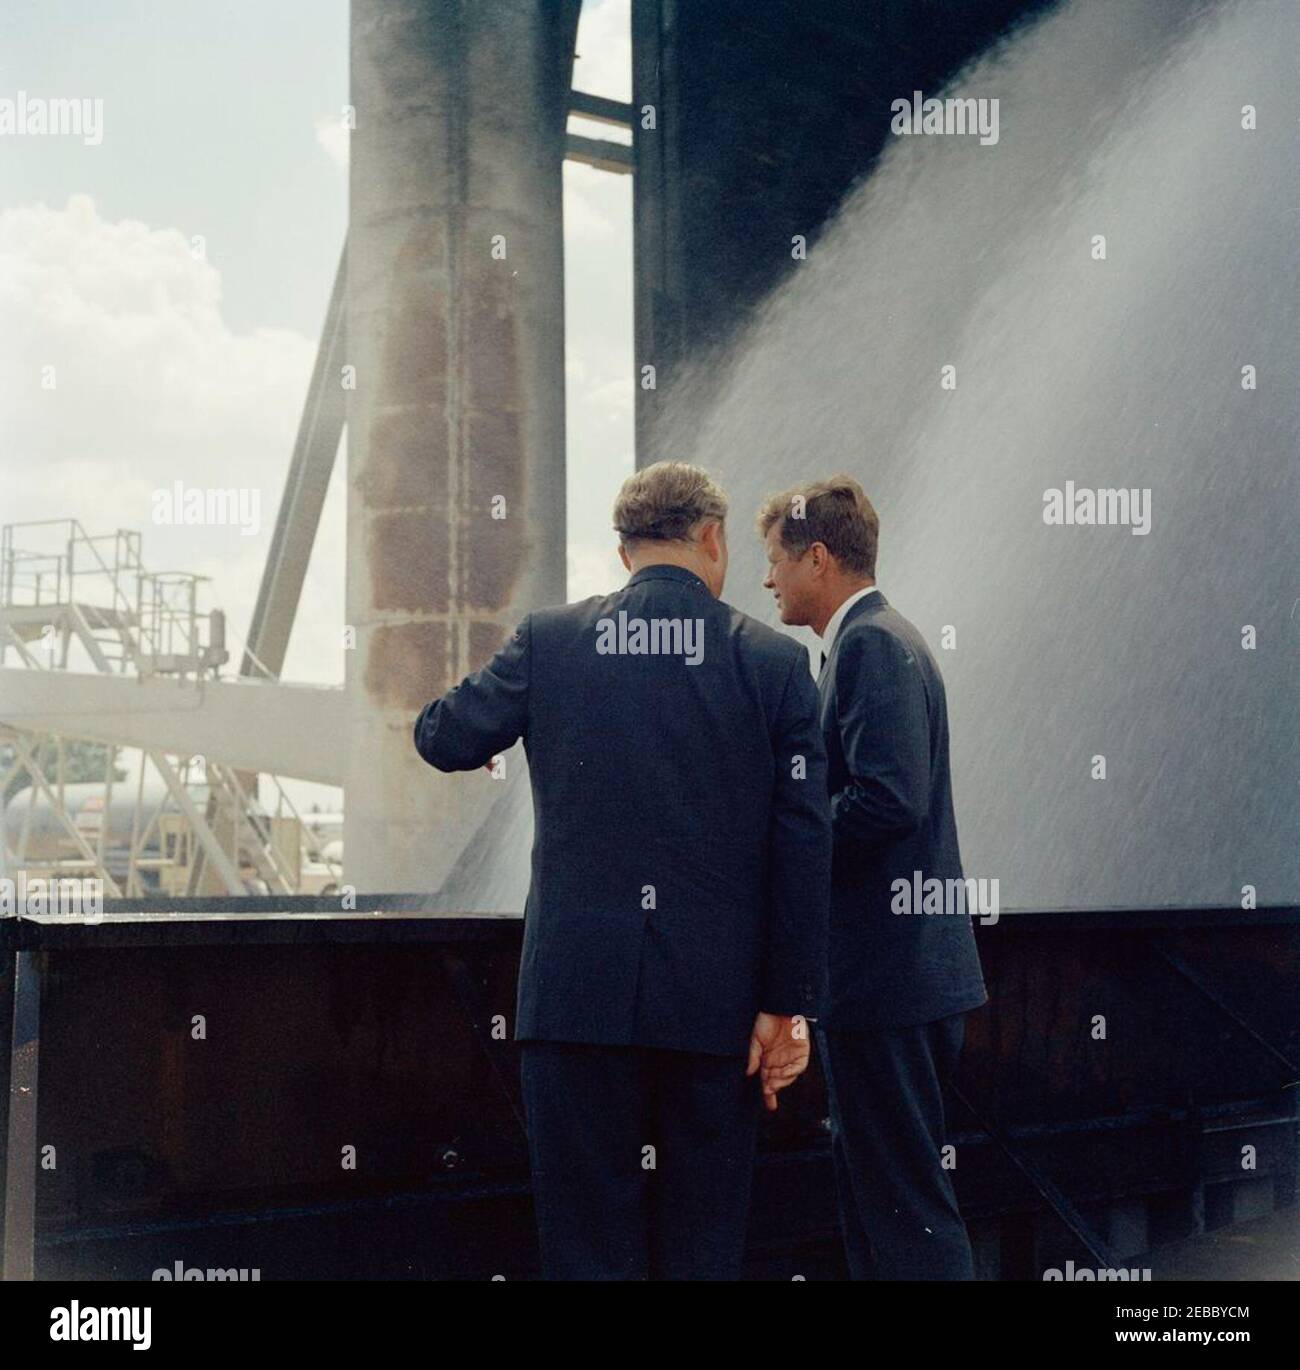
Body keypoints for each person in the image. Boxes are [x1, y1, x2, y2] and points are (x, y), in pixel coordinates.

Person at [415, 461, 830, 1280]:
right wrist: (784, 1007)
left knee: (585, 1249)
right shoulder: (777, 665)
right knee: (702, 1246)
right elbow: (804, 846)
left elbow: (442, 736)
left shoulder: (553, 640)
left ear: (621, 551)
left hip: (576, 1003)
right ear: (712, 539)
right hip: (717, 1011)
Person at [758, 476, 987, 1280]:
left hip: (888, 983)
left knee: (904, 1209)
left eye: (776, 561)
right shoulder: (883, 640)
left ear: (817, 557)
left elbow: (889, 799)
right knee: (884, 1203)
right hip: (903, 978)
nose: (768, 581)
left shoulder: (870, 646)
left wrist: (787, 846)